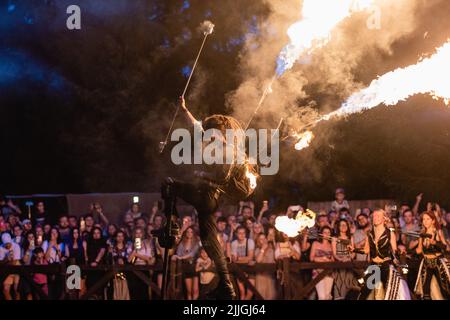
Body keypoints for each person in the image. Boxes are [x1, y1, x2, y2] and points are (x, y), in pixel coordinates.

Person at [162, 96, 257, 299]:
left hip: (206, 195)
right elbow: (197, 127)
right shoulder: (216, 141)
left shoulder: (227, 149)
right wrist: (184, 109)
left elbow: (222, 176)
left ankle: (173, 224)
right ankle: (226, 285)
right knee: (209, 240)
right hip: (209, 201)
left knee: (169, 184)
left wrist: (203, 175)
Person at [357, 209, 411, 300]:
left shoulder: (390, 233)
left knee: (390, 293)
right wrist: (354, 249)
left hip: (386, 266)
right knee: (365, 291)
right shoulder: (370, 234)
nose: (375, 217)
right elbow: (366, 250)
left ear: (384, 218)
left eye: (378, 215)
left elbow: (394, 250)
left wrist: (400, 252)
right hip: (374, 267)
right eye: (374, 216)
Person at [414, 211, 450, 299]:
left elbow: (446, 248)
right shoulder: (422, 234)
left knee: (444, 289)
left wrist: (435, 242)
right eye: (423, 219)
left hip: (438, 263)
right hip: (426, 263)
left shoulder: (438, 231)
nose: (425, 221)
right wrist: (406, 251)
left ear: (433, 221)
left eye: (428, 219)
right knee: (425, 290)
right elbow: (419, 250)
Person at [173, 226, 201, 300]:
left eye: (191, 232)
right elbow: (178, 253)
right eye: (188, 232)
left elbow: (193, 253)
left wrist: (181, 257)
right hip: (185, 267)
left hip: (194, 267)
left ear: (193, 233)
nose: (189, 233)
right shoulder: (182, 243)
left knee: (195, 290)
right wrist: (176, 256)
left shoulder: (196, 243)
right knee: (188, 291)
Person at [332, 219, 357, 300]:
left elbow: (353, 252)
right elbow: (334, 253)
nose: (343, 226)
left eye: (345, 225)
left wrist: (349, 258)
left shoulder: (351, 237)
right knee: (339, 285)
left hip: (349, 263)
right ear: (338, 227)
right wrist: (340, 259)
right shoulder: (335, 238)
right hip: (339, 264)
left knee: (350, 285)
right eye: (341, 225)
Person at [231, 226, 256, 300]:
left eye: (243, 233)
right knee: (242, 292)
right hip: (239, 269)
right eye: (239, 233)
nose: (242, 235)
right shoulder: (234, 243)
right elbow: (234, 260)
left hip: (250, 268)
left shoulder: (250, 241)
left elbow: (250, 257)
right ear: (236, 234)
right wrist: (245, 259)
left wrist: (239, 258)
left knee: (250, 292)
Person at [310, 226, 334, 300]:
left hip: (329, 272)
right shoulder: (316, 243)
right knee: (322, 297)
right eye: (325, 232)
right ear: (321, 234)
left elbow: (333, 259)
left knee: (328, 296)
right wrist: (322, 259)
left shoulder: (331, 245)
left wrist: (328, 260)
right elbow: (311, 258)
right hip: (317, 272)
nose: (326, 234)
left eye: (328, 232)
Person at [255, 233, 277, 300]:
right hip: (260, 277)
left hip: (270, 277)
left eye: (264, 238)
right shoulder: (257, 250)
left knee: (271, 297)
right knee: (261, 297)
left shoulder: (272, 250)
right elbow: (258, 260)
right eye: (261, 239)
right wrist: (263, 249)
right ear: (258, 241)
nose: (263, 240)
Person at [1, 232, 22, 300]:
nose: (7, 245)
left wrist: (9, 260)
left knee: (17, 290)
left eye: (9, 243)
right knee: (5, 290)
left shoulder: (16, 246)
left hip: (16, 269)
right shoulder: (0, 248)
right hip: (7, 270)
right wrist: (6, 259)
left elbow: (14, 262)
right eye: (6, 244)